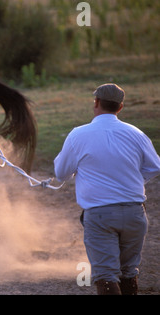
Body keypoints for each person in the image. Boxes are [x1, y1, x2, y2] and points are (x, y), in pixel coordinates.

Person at [54, 83, 160, 295]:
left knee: (105, 275)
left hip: (100, 215)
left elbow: (61, 173)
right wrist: (132, 182)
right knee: (129, 271)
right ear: (120, 107)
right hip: (135, 213)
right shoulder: (136, 133)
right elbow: (155, 166)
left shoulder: (78, 135)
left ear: (96, 102)